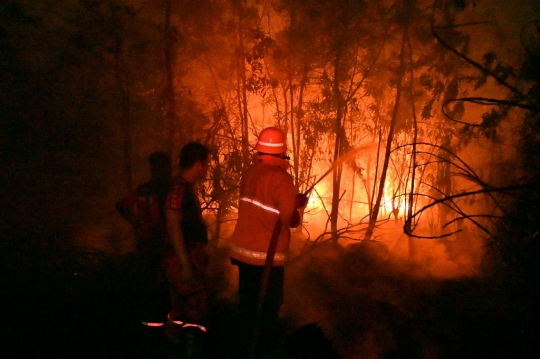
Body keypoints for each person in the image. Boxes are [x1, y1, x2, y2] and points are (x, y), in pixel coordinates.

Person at [230, 127, 307, 356]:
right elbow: (288, 219)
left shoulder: (250, 172)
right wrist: (297, 204)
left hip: (243, 254)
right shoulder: (281, 178)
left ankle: (242, 348)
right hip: (267, 259)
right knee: (267, 312)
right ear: (282, 151)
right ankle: (261, 351)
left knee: (247, 307)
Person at [116, 151, 172, 330]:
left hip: (157, 245)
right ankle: (156, 327)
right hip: (157, 245)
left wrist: (137, 223)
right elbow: (122, 205)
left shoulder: (152, 190)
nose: (162, 171)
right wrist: (137, 223)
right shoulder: (158, 190)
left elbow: (122, 205)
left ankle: (155, 326)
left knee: (158, 287)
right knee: (158, 287)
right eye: (159, 167)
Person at [163, 141, 211, 339]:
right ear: (198, 164)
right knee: (191, 307)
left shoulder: (184, 188)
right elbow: (173, 227)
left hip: (189, 255)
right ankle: (183, 347)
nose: (207, 168)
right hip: (181, 258)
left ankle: (179, 346)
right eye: (206, 163)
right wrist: (185, 263)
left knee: (184, 307)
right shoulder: (178, 189)